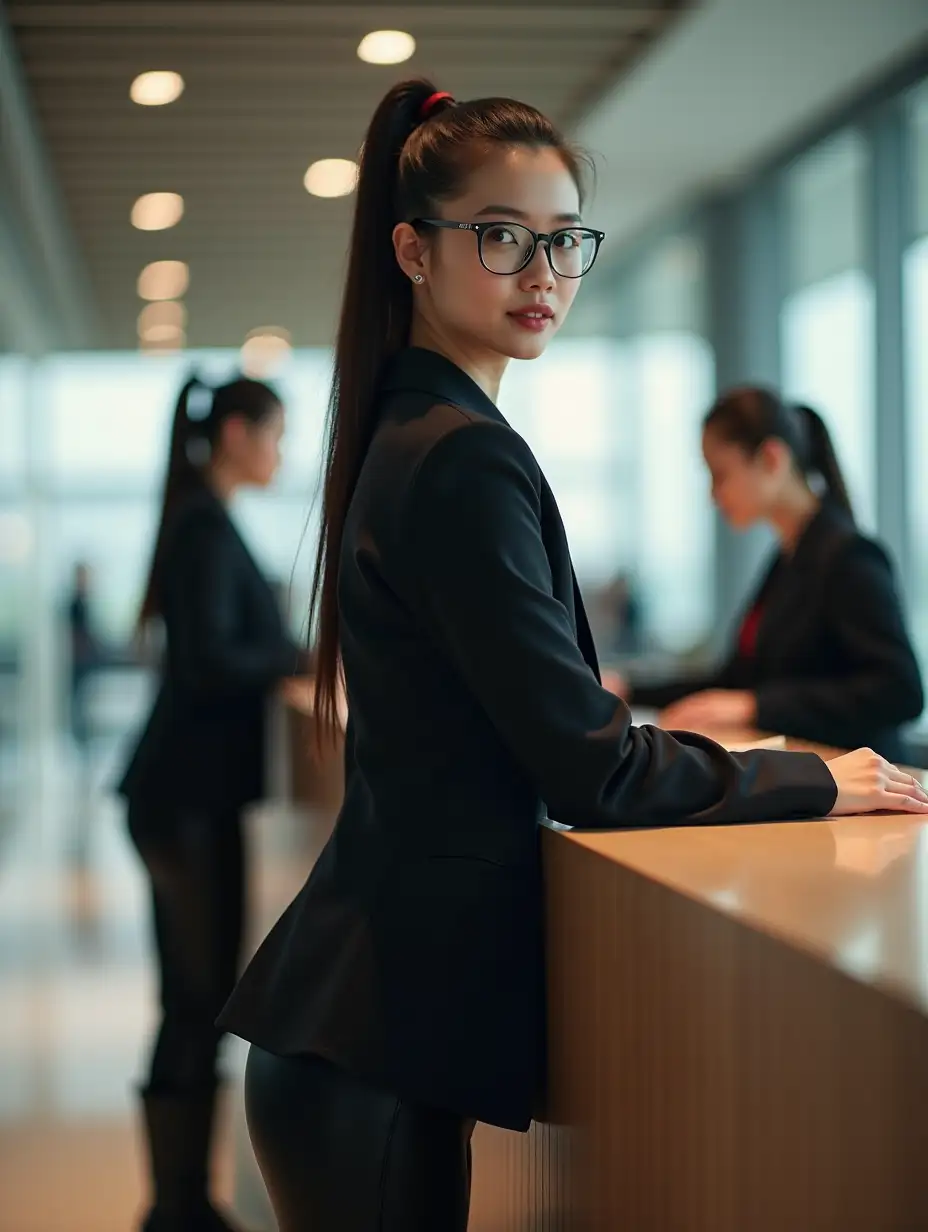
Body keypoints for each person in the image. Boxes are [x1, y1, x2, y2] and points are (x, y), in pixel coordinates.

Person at [217, 81, 928, 1232]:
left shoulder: (417, 432)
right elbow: (588, 767)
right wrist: (811, 773)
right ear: (412, 248)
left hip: (360, 1038)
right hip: (377, 1055)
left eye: (563, 240)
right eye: (501, 236)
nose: (541, 271)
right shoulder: (458, 458)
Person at [119, 374, 309, 1232]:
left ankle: (183, 1200)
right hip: (183, 798)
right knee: (195, 999)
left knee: (195, 997)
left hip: (193, 796)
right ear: (236, 432)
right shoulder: (203, 523)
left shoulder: (206, 518)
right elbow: (205, 661)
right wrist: (289, 661)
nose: (281, 452)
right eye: (274, 434)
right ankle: (178, 1208)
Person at [620, 387, 924, 762]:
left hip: (865, 789)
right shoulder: (788, 560)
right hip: (815, 780)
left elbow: (900, 692)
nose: (714, 495)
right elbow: (731, 684)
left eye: (720, 474)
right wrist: (630, 690)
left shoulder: (849, 556)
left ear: (771, 459)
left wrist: (755, 706)